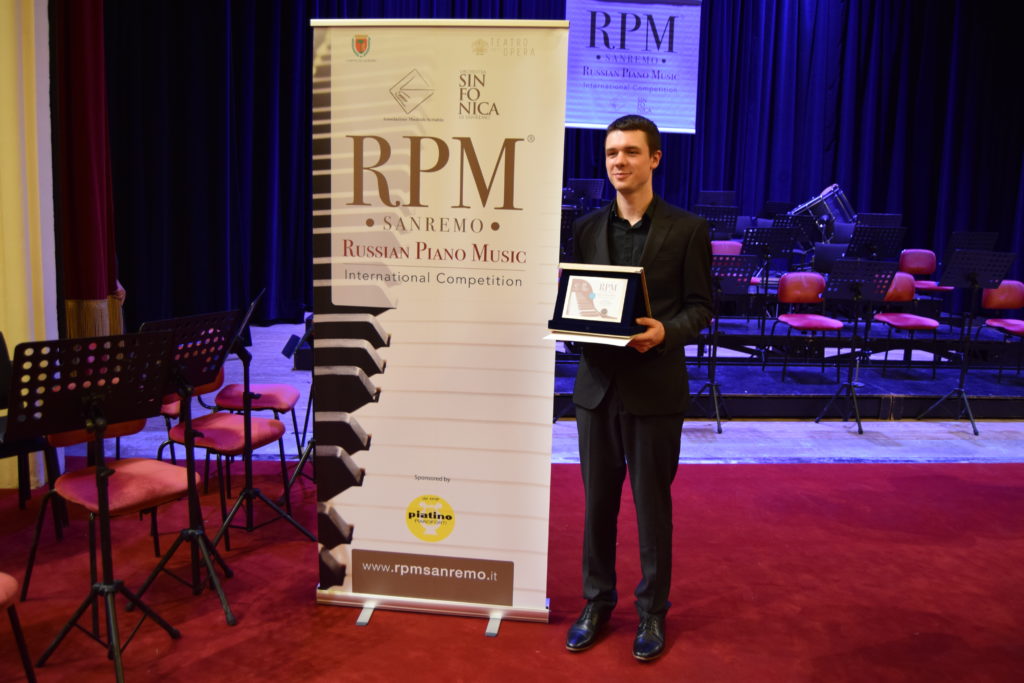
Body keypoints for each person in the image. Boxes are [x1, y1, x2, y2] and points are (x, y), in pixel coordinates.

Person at [565, 115, 713, 661]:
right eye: (611, 153)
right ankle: (596, 602)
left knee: (652, 509)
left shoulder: (688, 229)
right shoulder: (585, 228)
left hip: (655, 389)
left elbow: (701, 308)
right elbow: (581, 298)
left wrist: (665, 332)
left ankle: (652, 611)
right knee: (597, 507)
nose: (618, 161)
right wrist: (570, 324)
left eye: (630, 151)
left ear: (654, 159)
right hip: (597, 389)